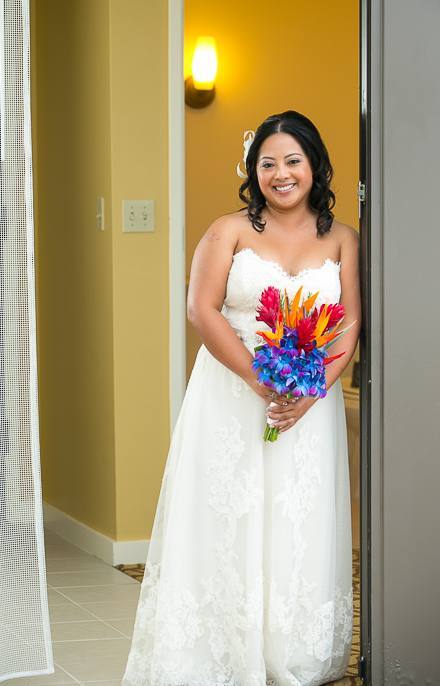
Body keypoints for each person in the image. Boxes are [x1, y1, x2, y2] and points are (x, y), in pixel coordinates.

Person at [122, 110, 361, 686]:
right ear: (254, 171)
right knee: (231, 511)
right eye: (268, 163)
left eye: (293, 161)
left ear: (315, 165)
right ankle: (221, 649)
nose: (281, 173)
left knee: (295, 514)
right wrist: (259, 378)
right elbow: (200, 309)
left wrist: (310, 391)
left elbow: (350, 321)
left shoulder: (342, 238)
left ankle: (290, 649)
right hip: (233, 393)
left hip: (308, 400)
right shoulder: (229, 229)